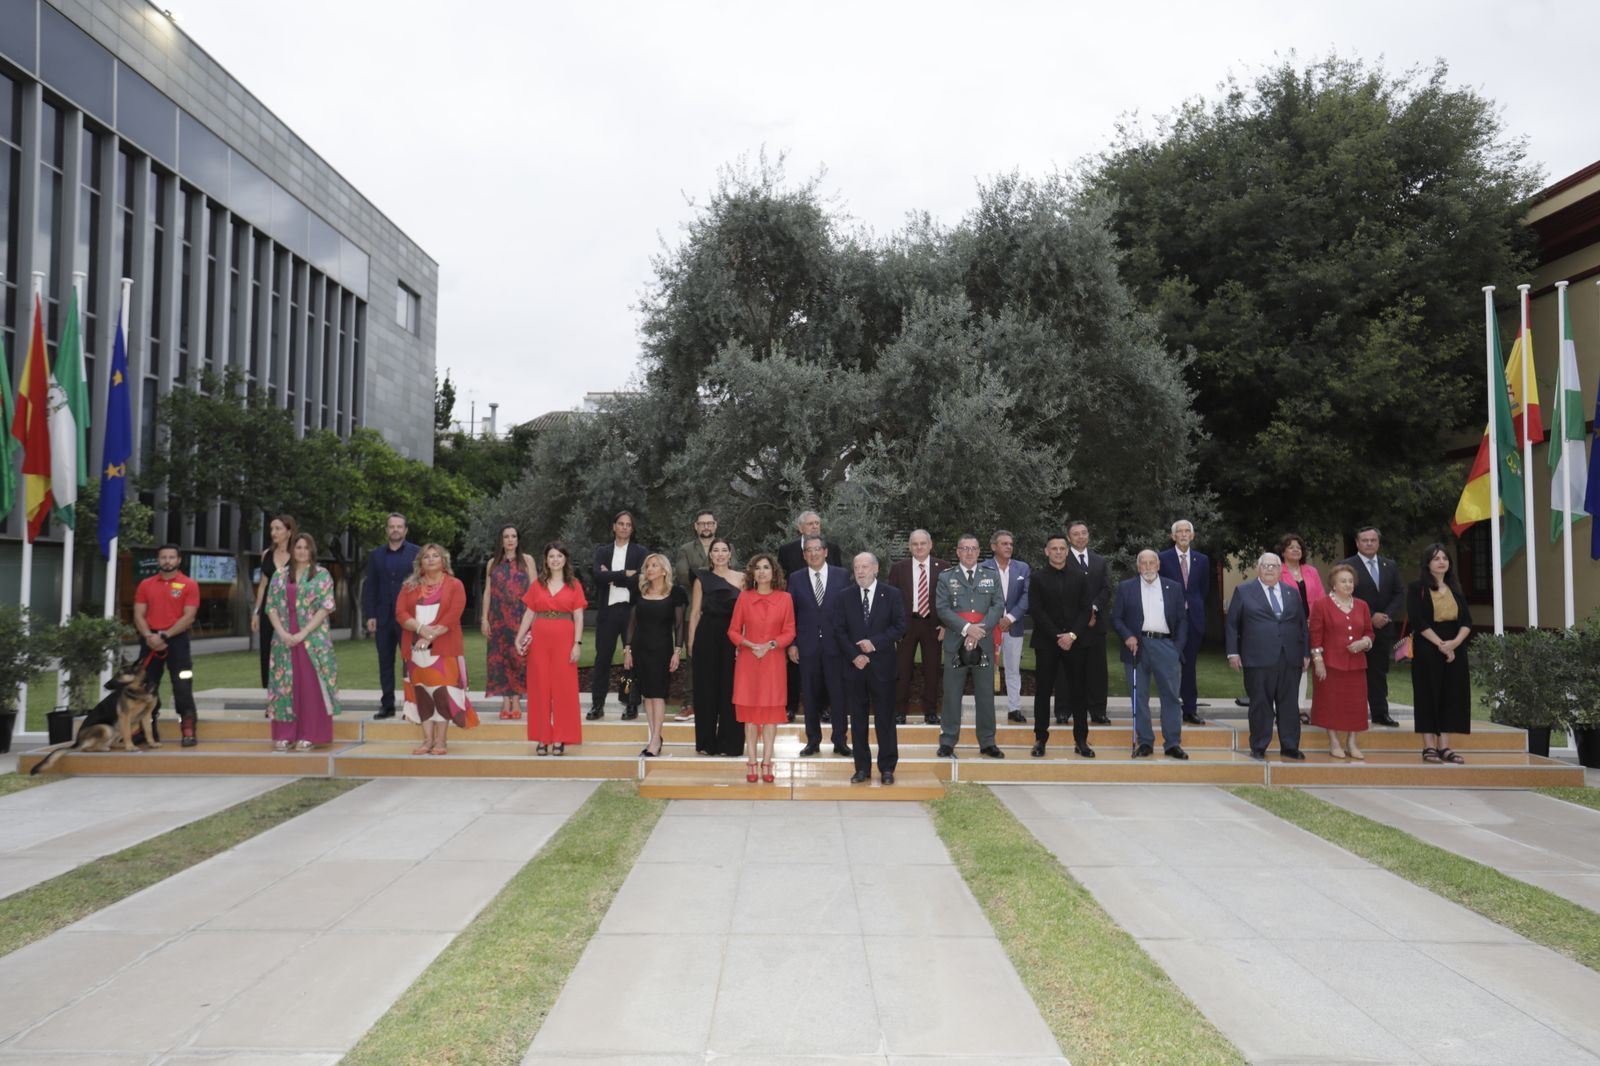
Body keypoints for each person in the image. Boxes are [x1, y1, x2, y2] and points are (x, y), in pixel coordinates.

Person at [1225, 553, 1310, 760]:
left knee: (1289, 704)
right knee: (1260, 704)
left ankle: (1290, 746)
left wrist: (1306, 652)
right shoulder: (1244, 591)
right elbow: (1232, 624)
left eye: (1274, 566)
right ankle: (1259, 746)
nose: (1270, 569)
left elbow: (1302, 625)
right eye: (1265, 566)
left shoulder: (1292, 592)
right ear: (1258, 568)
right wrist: (1233, 652)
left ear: (1281, 570)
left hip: (1290, 657)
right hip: (1257, 657)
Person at [396, 543, 478, 755]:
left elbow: (454, 613)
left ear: (443, 561)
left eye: (435, 556)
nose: (431, 559)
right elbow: (401, 613)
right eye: (426, 556)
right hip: (415, 648)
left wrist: (431, 635)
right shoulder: (409, 586)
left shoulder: (455, 584)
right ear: (420, 562)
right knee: (421, 692)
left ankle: (441, 741)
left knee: (443, 693)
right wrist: (422, 630)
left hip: (445, 646)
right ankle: (427, 740)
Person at [834, 552, 906, 784]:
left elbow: (899, 627)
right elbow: (839, 630)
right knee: (858, 720)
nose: (860, 571)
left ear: (876, 569)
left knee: (885, 719)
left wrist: (874, 644)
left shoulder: (892, 594)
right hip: (854, 668)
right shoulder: (845, 596)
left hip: (883, 667)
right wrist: (855, 655)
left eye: (865, 566)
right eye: (857, 567)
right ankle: (861, 768)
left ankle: (887, 768)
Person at [265, 532, 339, 751]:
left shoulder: (322, 575)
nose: (302, 551)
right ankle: (285, 734)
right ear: (292, 550)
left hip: (312, 640)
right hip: (284, 640)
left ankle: (311, 734)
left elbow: (326, 607)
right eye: (298, 547)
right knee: (284, 686)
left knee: (310, 687)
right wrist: (283, 633)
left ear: (312, 551)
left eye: (306, 548)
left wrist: (302, 633)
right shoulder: (280, 575)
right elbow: (271, 607)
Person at [1112, 550, 1189, 759]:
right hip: (1136, 647)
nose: (1147, 567)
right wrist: (1127, 636)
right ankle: (1145, 742)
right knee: (1139, 697)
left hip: (1165, 645)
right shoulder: (1126, 587)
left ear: (1158, 565)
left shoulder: (1172, 587)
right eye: (1143, 563)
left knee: (1171, 696)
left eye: (1151, 563)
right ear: (1138, 567)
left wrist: (1177, 648)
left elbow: (1182, 620)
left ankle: (1172, 743)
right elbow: (1116, 618)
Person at [936, 534, 1007, 759]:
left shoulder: (991, 576)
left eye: (973, 549)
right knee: (952, 694)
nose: (969, 553)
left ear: (979, 552)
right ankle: (947, 740)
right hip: (956, 640)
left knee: (985, 695)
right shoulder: (946, 578)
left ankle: (987, 742)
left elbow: (998, 605)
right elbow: (943, 608)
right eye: (964, 549)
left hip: (984, 642)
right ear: (957, 552)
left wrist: (979, 630)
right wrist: (967, 628)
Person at [516, 541, 589, 755]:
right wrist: (518, 638)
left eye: (559, 556)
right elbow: (529, 612)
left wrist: (577, 644)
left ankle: (560, 737)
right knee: (540, 688)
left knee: (563, 690)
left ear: (565, 559)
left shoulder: (574, 584)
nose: (555, 560)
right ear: (546, 560)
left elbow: (579, 616)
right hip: (539, 639)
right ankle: (542, 737)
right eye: (551, 556)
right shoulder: (537, 584)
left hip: (565, 638)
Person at [728, 554, 795, 784]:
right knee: (750, 716)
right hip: (748, 660)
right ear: (752, 573)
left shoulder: (785, 599)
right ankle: (751, 762)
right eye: (757, 568)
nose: (762, 571)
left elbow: (789, 631)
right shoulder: (744, 598)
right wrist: (747, 644)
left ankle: (767, 762)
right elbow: (734, 630)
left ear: (773, 572)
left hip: (773, 661)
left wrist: (770, 645)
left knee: (770, 715)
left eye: (766, 567)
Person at [1027, 532, 1094, 758]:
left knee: (1079, 693)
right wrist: (1058, 636)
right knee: (1043, 692)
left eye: (1062, 549)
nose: (1058, 552)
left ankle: (1081, 740)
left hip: (1076, 643)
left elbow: (1086, 609)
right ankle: (1040, 739)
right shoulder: (1036, 578)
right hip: (1047, 643)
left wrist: (1072, 635)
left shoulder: (1080, 577)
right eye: (1053, 548)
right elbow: (1036, 610)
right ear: (1046, 551)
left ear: (1067, 551)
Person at [1408, 544, 1474, 765]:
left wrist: (1454, 643)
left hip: (1455, 646)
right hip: (1428, 646)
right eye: (1436, 558)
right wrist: (1441, 645)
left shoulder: (1455, 588)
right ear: (1428, 563)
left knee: (1452, 695)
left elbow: (1467, 621)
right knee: (1428, 694)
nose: (1441, 562)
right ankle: (1428, 746)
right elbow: (1418, 621)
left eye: (1445, 558)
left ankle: (1444, 746)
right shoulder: (1417, 588)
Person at [789, 534, 853, 757]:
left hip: (836, 647)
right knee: (810, 695)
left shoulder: (842, 576)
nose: (813, 553)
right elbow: (792, 615)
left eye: (817, 549)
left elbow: (849, 612)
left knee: (838, 696)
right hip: (806, 648)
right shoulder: (795, 579)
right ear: (804, 555)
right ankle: (812, 741)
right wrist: (793, 644)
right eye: (809, 550)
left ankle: (840, 741)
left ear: (826, 552)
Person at [132, 544, 201, 746]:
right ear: (158, 560)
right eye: (163, 557)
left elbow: (189, 617)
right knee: (146, 687)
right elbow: (138, 614)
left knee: (182, 685)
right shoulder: (146, 584)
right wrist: (149, 636)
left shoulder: (189, 584)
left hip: (177, 640)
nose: (167, 561)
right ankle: (146, 731)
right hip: (150, 641)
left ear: (179, 560)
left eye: (172, 557)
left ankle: (188, 728)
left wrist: (165, 635)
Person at [778, 511, 842, 721]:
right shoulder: (787, 551)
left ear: (824, 552)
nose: (815, 526)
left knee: (827, 673)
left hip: (828, 628)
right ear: (800, 528)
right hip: (801, 622)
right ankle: (790, 706)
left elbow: (840, 592)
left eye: (817, 523)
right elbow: (782, 584)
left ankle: (825, 708)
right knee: (795, 671)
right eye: (810, 523)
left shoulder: (833, 550)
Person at [623, 553, 686, 758]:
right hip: (641, 649)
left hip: (662, 650)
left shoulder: (676, 593)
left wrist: (677, 651)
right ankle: (654, 738)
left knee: (658, 695)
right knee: (647, 696)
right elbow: (631, 623)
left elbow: (679, 625)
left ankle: (655, 740)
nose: (649, 569)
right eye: (647, 566)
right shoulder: (639, 591)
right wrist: (628, 649)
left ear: (664, 570)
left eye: (654, 565)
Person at [1341, 526, 1405, 727]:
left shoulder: (1390, 565)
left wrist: (1386, 615)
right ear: (1357, 543)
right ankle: (1351, 712)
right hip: (1355, 629)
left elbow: (1398, 593)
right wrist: (1369, 617)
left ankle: (1380, 713)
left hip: (1383, 629)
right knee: (1353, 673)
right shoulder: (1346, 565)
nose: (1369, 543)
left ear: (1378, 542)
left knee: (1378, 672)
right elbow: (1344, 595)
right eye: (1365, 540)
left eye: (1373, 540)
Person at [1310, 563, 1373, 760]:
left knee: (1356, 704)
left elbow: (1369, 631)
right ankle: (1334, 742)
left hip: (1356, 665)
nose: (1348, 584)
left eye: (1350, 581)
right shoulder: (1321, 605)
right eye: (1343, 581)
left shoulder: (1362, 605)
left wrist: (1365, 641)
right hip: (1330, 664)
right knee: (1331, 703)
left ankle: (1352, 742)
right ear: (1333, 585)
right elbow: (1315, 635)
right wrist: (1318, 660)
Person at [688, 538, 744, 756]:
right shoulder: (701, 578)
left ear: (730, 554)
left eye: (724, 550)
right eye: (716, 551)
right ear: (710, 555)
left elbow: (746, 612)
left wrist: (744, 641)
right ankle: (706, 742)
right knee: (706, 689)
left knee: (731, 689)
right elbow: (694, 613)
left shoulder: (743, 579)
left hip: (733, 636)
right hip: (706, 636)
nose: (720, 554)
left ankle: (730, 744)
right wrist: (691, 642)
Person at [590, 510, 646, 720]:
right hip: (608, 612)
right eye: (620, 524)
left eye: (628, 525)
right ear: (614, 526)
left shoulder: (640, 552)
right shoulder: (602, 552)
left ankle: (630, 704)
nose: (624, 527)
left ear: (632, 529)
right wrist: (624, 574)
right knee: (602, 659)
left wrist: (611, 577)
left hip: (631, 612)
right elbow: (597, 576)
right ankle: (597, 704)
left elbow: (641, 580)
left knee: (631, 660)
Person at [888, 530, 948, 724]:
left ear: (931, 545)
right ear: (909, 546)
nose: (919, 547)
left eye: (923, 543)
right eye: (915, 544)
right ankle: (899, 710)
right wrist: (894, 627)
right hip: (906, 625)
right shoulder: (899, 568)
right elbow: (892, 600)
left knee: (932, 669)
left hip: (934, 625)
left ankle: (930, 710)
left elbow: (950, 598)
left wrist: (946, 625)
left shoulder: (944, 568)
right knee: (901, 669)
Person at [363, 513, 419, 720]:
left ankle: (412, 706)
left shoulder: (417, 553)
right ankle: (387, 705)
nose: (395, 530)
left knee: (411, 664)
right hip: (383, 618)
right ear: (387, 530)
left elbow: (421, 585)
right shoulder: (376, 555)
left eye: (399, 526)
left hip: (409, 619)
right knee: (385, 663)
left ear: (405, 530)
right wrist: (370, 614)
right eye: (391, 527)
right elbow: (371, 587)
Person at [670, 509, 721, 723]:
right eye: (702, 524)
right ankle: (689, 703)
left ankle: (718, 703)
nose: (706, 527)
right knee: (693, 659)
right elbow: (683, 576)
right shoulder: (685, 549)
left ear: (715, 525)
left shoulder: (726, 547)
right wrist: (715, 570)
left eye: (710, 523)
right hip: (695, 611)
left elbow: (733, 572)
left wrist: (699, 572)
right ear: (696, 526)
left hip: (721, 612)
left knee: (720, 658)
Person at [481, 525, 535, 720]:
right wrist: (484, 618)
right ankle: (505, 701)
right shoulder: (492, 563)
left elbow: (535, 591)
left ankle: (516, 701)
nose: (510, 540)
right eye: (506, 536)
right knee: (500, 660)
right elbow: (487, 592)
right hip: (497, 620)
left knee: (518, 659)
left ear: (518, 539)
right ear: (501, 540)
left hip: (521, 618)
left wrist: (533, 621)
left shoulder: (527, 561)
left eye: (513, 536)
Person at [1159, 519, 1210, 725]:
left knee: (1189, 666)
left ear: (1192, 535)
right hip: (1170, 621)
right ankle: (1170, 709)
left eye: (1187, 531)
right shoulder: (1163, 558)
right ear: (1173, 536)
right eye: (1179, 531)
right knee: (1169, 666)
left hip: (1194, 620)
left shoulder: (1202, 559)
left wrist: (1194, 607)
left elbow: (1203, 589)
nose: (1183, 534)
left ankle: (1190, 709)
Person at [979, 530, 1030, 723]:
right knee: (984, 669)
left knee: (1013, 669)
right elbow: (981, 599)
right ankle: (986, 708)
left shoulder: (1023, 568)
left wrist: (1010, 618)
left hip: (1013, 627)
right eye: (1004, 544)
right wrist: (996, 619)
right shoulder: (982, 568)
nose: (1009, 547)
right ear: (994, 547)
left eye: (1011, 544)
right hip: (988, 628)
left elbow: (1027, 596)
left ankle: (1014, 708)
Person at [1065, 521, 1114, 725]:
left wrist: (1093, 608)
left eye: (1084, 533)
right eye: (1076, 534)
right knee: (1067, 670)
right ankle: (1064, 710)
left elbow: (1106, 589)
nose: (1080, 537)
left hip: (1096, 626)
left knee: (1096, 671)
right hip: (1070, 625)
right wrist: (1082, 614)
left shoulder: (1099, 561)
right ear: (1069, 538)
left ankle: (1097, 711)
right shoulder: (1062, 559)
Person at [1278, 532, 1325, 721]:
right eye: (1290, 547)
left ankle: (1298, 707)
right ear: (1283, 552)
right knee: (1285, 665)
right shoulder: (1277, 570)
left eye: (1298, 547)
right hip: (1288, 626)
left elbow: (1321, 597)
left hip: (1311, 624)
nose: (1295, 550)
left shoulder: (1311, 571)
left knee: (1305, 664)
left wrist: (1316, 620)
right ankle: (1281, 707)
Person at [251, 514, 296, 689]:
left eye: (278, 529)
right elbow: (263, 585)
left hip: (291, 610)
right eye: (271, 529)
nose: (273, 532)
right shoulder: (266, 554)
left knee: (290, 651)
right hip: (269, 611)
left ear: (289, 531)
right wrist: (256, 612)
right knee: (267, 651)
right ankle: (269, 693)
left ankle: (291, 693)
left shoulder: (297, 554)